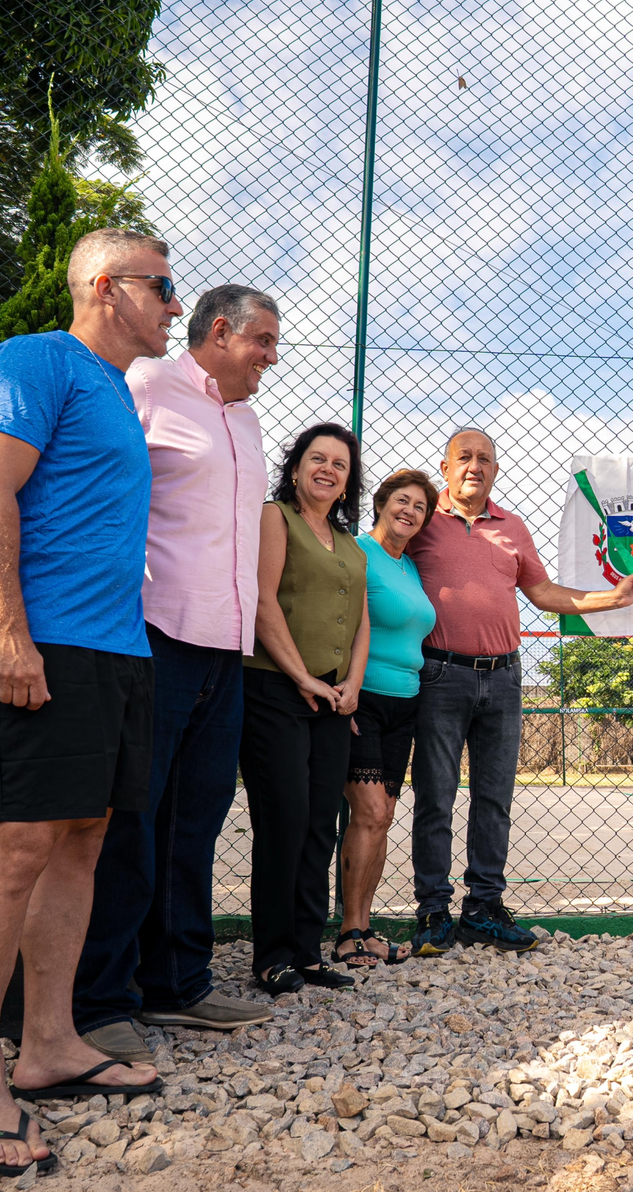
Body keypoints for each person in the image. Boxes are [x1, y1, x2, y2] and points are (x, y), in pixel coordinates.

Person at [0, 228, 173, 1175]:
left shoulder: (115, 392)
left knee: (81, 840)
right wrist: (6, 629)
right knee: (17, 847)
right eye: (162, 285)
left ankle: (47, 1044)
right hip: (38, 643)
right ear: (108, 288)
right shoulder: (37, 360)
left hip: (115, 651)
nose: (172, 302)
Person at [71, 285, 279, 1061]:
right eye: (262, 340)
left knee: (195, 822)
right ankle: (102, 999)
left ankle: (179, 983)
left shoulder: (249, 422)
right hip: (156, 634)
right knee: (132, 819)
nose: (271, 357)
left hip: (226, 646)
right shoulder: (148, 386)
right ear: (219, 332)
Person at [404, 428, 633, 956]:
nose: (475, 466)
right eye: (464, 458)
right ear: (444, 467)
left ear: (494, 470)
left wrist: (613, 598)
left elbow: (545, 593)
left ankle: (484, 908)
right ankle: (433, 913)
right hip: (440, 676)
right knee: (435, 797)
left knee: (494, 799)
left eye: (485, 459)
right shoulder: (421, 520)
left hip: (505, 678)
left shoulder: (512, 527)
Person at [240, 424, 370, 994]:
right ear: (295, 467)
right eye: (317, 459)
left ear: (347, 483)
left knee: (321, 827)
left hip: (334, 700)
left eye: (339, 465)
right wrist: (302, 677)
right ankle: (271, 954)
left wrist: (352, 685)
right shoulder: (276, 517)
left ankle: (307, 952)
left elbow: (362, 620)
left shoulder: (348, 541)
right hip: (275, 691)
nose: (327, 470)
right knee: (285, 822)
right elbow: (262, 602)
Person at [334, 469, 440, 968]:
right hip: (365, 700)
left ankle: (365, 926)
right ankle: (347, 931)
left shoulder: (409, 567)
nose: (410, 511)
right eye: (403, 500)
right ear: (380, 503)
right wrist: (345, 689)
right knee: (370, 813)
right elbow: (341, 623)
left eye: (420, 507)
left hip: (406, 703)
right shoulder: (358, 553)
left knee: (382, 818)